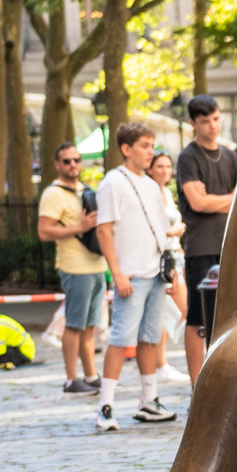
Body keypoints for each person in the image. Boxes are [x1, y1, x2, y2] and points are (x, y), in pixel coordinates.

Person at [92, 123, 180, 431]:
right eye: (144, 145)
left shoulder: (152, 185)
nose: (150, 151)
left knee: (150, 338)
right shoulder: (113, 182)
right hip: (130, 274)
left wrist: (170, 270)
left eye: (152, 145)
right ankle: (105, 406)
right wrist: (117, 274)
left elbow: (157, 230)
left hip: (155, 272)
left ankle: (148, 399)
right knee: (120, 340)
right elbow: (104, 230)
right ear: (127, 149)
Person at [176, 94, 237, 382]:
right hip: (202, 248)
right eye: (205, 121)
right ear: (193, 123)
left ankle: (224, 378)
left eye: (216, 118)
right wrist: (228, 199)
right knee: (200, 319)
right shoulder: (188, 157)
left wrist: (217, 199)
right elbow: (198, 204)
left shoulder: (229, 156)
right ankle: (197, 384)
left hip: (231, 247)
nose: (213, 126)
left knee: (229, 317)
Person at [37, 144, 105, 394]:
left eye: (76, 160)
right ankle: (71, 378)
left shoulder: (86, 190)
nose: (73, 164)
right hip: (75, 267)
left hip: (97, 265)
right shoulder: (53, 194)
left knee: (89, 326)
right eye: (66, 161)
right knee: (75, 324)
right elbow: (44, 231)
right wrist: (80, 227)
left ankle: (90, 375)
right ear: (57, 164)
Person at [149, 152, 192, 364]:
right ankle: (160, 362)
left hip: (176, 255)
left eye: (168, 166)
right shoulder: (149, 193)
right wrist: (172, 232)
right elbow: (148, 228)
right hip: (162, 257)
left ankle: (160, 361)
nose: (165, 171)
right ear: (150, 169)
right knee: (175, 310)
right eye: (160, 166)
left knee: (178, 311)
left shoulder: (166, 191)